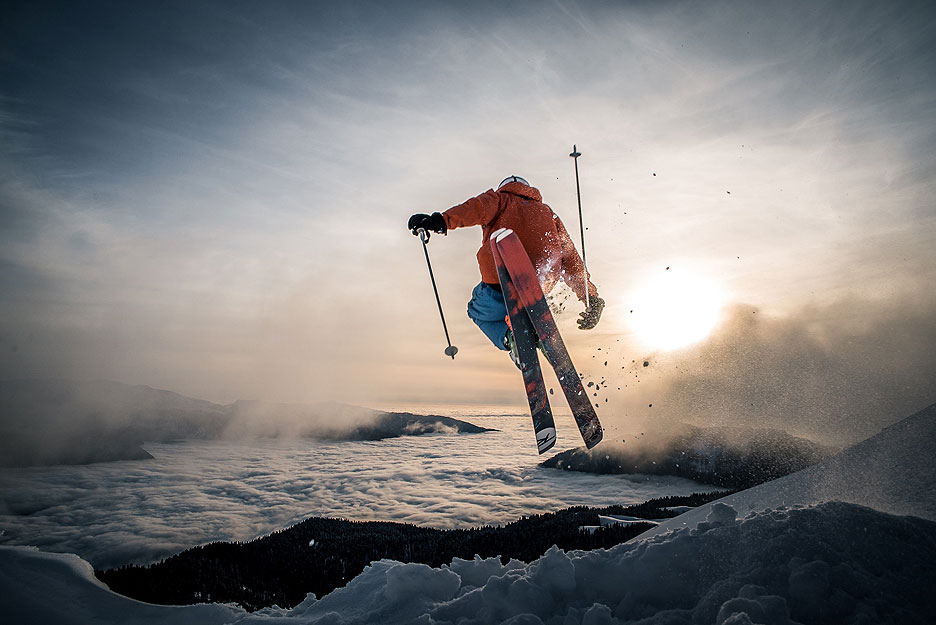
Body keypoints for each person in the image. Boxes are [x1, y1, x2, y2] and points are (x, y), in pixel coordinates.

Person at [408, 175, 604, 364]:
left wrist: (440, 221)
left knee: (475, 310)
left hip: (501, 281)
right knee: (533, 298)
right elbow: (570, 259)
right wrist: (591, 298)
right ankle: (536, 332)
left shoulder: (499, 199)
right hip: (538, 285)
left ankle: (513, 339)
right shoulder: (548, 214)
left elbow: (475, 208)